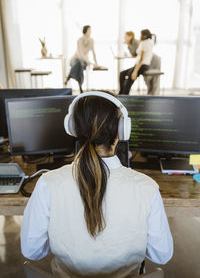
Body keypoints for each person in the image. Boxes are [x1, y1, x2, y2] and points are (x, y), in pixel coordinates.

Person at [21, 91, 173, 277]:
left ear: (73, 129)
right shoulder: (146, 188)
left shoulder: (48, 184)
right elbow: (161, 255)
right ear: (121, 131)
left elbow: (32, 251)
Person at [124, 31, 161, 96]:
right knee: (123, 74)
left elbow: (141, 59)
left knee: (130, 77)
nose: (139, 36)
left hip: (142, 65)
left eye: (140, 35)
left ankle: (124, 96)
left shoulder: (144, 43)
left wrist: (135, 71)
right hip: (144, 64)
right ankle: (122, 94)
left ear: (144, 36)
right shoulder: (149, 42)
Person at [65, 25, 99, 93]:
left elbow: (93, 52)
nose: (90, 31)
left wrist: (96, 63)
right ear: (85, 31)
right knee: (79, 64)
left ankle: (70, 76)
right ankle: (80, 86)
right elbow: (80, 55)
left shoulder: (91, 40)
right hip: (75, 59)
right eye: (89, 30)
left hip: (84, 61)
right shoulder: (79, 40)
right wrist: (91, 63)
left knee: (80, 64)